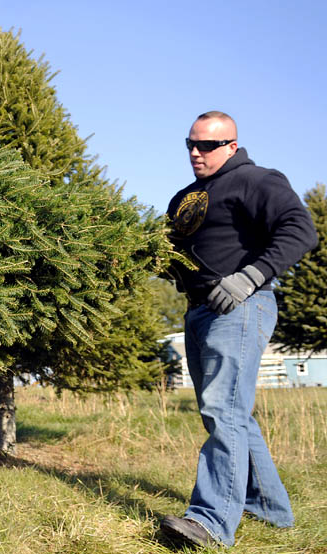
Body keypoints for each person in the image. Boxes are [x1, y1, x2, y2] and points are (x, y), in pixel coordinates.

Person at [160, 111, 317, 548]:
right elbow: (173, 254)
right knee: (231, 413)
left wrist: (249, 277)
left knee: (222, 410)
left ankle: (210, 522)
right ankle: (271, 508)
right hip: (198, 311)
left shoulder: (256, 180)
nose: (196, 152)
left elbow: (301, 231)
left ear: (231, 145)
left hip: (242, 306)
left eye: (207, 145)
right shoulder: (185, 197)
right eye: (190, 144)